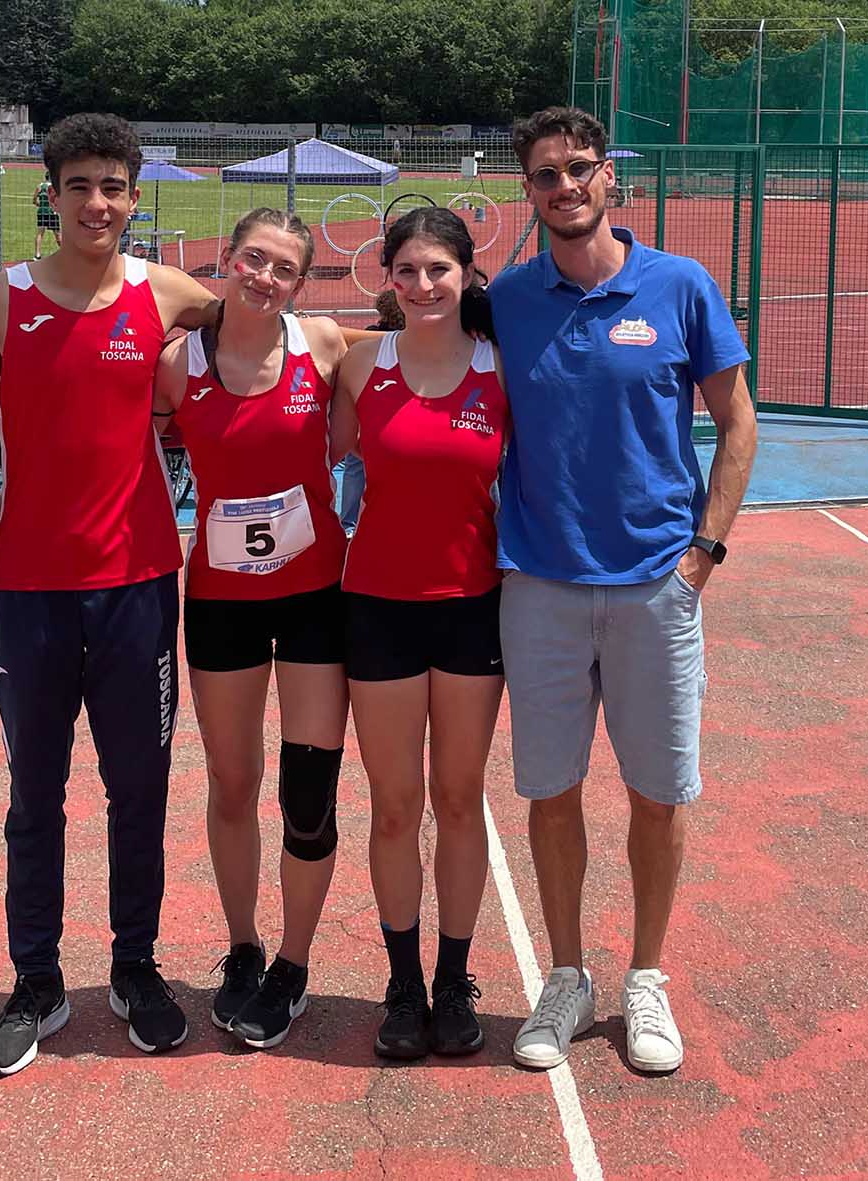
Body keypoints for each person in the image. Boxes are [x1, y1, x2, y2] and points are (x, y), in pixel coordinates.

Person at [0, 112, 219, 1076]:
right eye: (80, 186)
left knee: (138, 791)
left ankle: (136, 968)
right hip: (30, 593)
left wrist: (420, 323)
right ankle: (38, 981)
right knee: (35, 797)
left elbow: (272, 335)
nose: (98, 203)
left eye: (115, 187)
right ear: (49, 193)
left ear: (137, 199)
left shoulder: (167, 293)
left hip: (140, 584)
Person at [489, 106, 758, 1076]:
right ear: (527, 192)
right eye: (544, 175)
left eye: (578, 169)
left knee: (657, 792)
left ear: (611, 179)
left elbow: (736, 422)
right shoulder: (507, 301)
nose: (563, 186)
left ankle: (645, 974)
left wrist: (703, 554)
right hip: (541, 589)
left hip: (655, 588)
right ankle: (566, 975)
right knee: (550, 790)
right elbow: (413, 335)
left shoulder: (679, 286)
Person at [152, 208, 355, 1050]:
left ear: (302, 284)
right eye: (253, 260)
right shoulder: (176, 364)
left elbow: (420, 358)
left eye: (284, 270)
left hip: (314, 598)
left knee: (307, 798)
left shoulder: (326, 346)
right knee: (232, 786)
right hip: (223, 600)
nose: (265, 278)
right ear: (226, 260)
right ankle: (243, 947)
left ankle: (294, 966)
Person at [332, 208, 507, 1060]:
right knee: (397, 807)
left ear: (469, 274)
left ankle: (454, 978)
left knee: (460, 799)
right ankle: (403, 985)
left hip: (474, 606)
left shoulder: (501, 366)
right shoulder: (363, 362)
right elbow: (295, 447)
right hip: (379, 609)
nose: (424, 285)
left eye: (439, 269)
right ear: (387, 279)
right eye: (407, 270)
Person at [337, 291, 404, 533]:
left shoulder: (371, 339)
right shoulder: (378, 340)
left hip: (370, 420)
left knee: (355, 467)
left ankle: (348, 523)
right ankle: (350, 523)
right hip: (382, 419)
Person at [33, 178, 61, 259]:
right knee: (58, 234)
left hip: (42, 212)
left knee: (40, 234)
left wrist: (40, 205)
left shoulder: (40, 186)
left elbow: (34, 200)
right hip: (52, 212)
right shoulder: (55, 187)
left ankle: (37, 254)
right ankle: (64, 253)